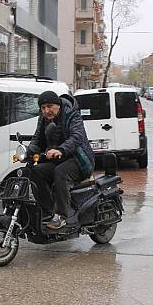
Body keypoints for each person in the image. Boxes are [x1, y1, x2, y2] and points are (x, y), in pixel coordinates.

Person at [28, 91, 95, 230]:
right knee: (34, 171)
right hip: (57, 159)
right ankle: (47, 211)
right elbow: (37, 137)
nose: (47, 110)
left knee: (61, 172)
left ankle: (61, 217)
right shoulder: (43, 118)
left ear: (58, 105)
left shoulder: (72, 114)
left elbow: (77, 137)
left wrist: (61, 150)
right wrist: (30, 150)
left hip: (80, 160)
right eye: (43, 108)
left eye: (50, 106)